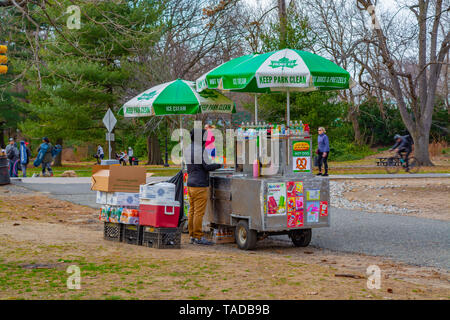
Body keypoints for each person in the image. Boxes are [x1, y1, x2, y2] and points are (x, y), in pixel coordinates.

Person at [184, 128, 222, 245]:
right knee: (199, 213)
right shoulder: (201, 150)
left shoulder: (187, 148)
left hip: (190, 183)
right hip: (200, 184)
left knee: (192, 211)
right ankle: (199, 237)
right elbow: (207, 166)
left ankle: (192, 236)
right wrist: (219, 164)